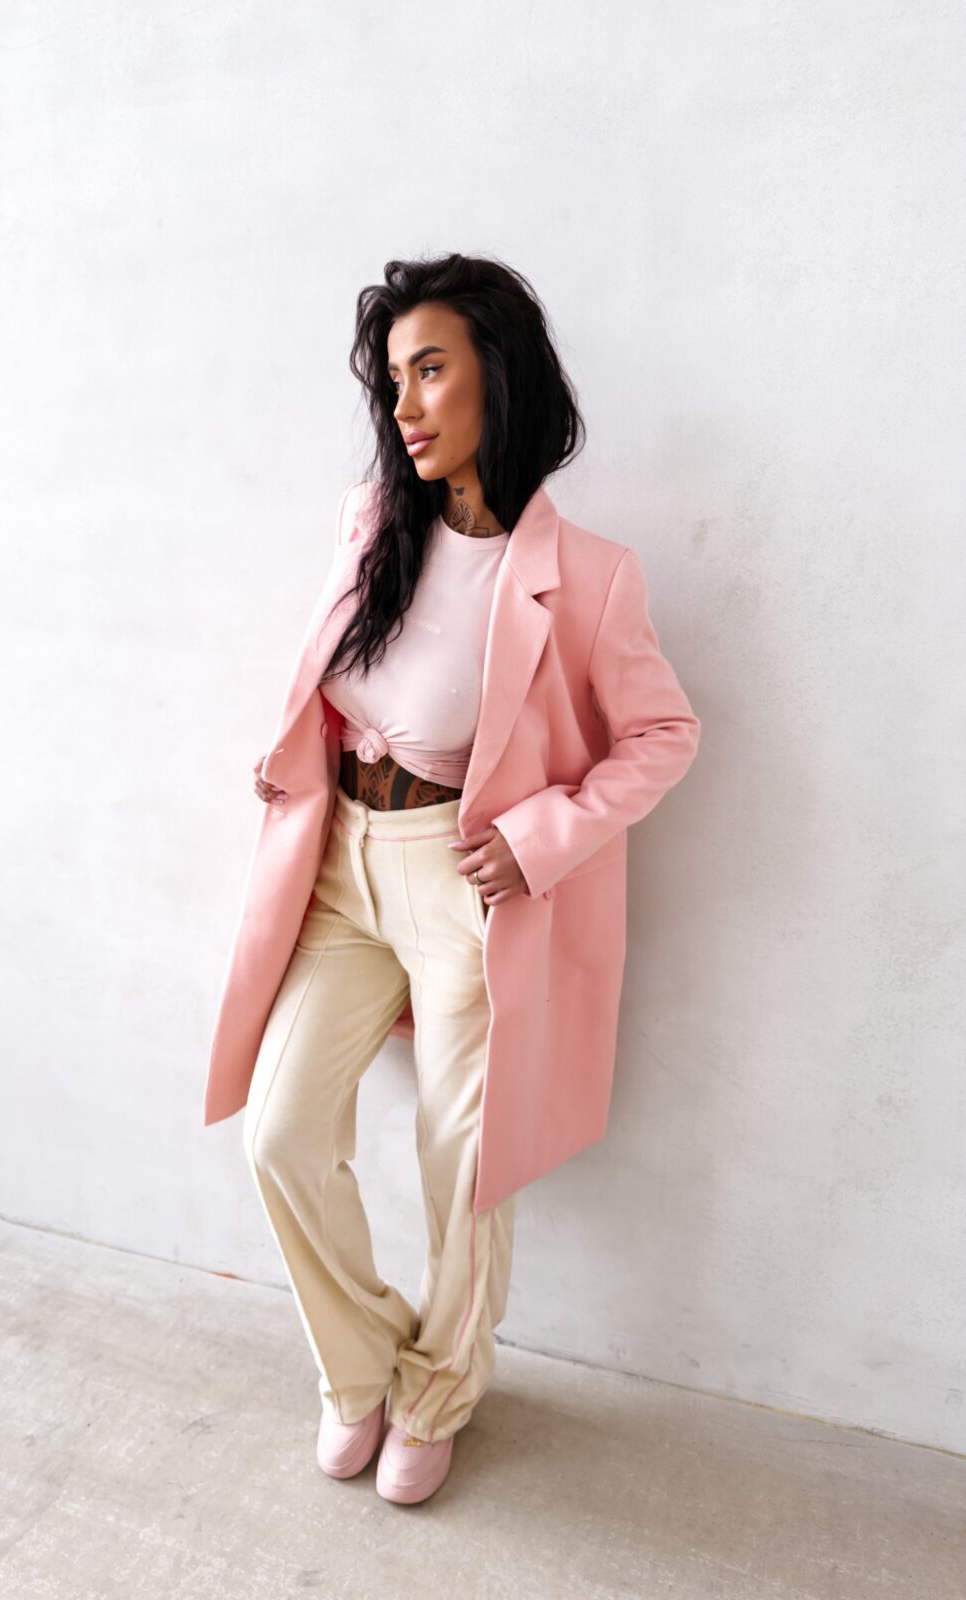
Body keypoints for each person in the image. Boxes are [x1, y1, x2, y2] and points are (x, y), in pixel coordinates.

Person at [204, 252, 701, 1506]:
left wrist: (544, 835)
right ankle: (361, 1366)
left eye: (430, 369)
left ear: (500, 373)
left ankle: (441, 1387)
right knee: (280, 1132)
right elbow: (335, 678)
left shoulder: (590, 575)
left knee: (463, 1161)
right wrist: (291, 759)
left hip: (464, 882)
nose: (406, 403)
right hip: (339, 869)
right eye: (393, 379)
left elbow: (664, 734)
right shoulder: (374, 521)